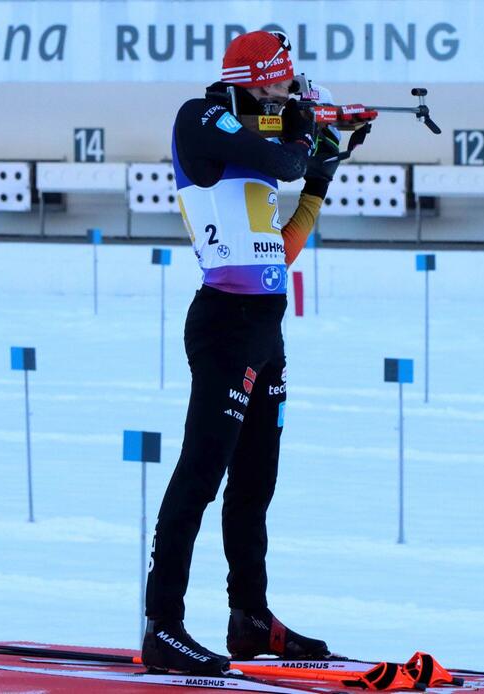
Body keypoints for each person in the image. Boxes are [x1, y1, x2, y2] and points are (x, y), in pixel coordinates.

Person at [141, 30, 341, 675]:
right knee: (200, 475)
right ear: (259, 80)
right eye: (285, 83)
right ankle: (163, 625)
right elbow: (282, 157)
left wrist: (320, 178)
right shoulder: (202, 119)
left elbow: (277, 254)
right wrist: (304, 139)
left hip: (264, 322)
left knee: (255, 483)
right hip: (225, 325)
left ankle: (249, 617)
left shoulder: (258, 145)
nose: (291, 91)